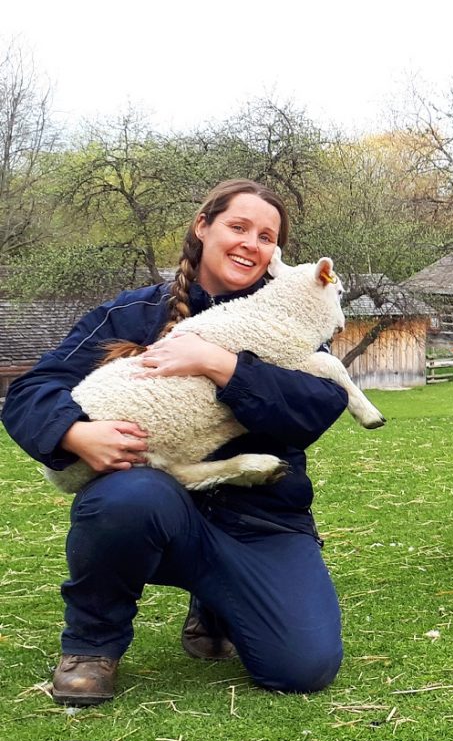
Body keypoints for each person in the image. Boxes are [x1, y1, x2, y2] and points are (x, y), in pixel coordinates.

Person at [2, 179, 349, 705]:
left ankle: (217, 604)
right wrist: (74, 432)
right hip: (155, 509)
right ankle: (92, 644)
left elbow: (316, 406)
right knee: (127, 497)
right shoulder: (134, 313)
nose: (250, 244)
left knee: (303, 666)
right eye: (238, 227)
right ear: (203, 227)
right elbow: (32, 389)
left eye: (265, 236)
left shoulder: (290, 321)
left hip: (262, 519)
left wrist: (220, 364)